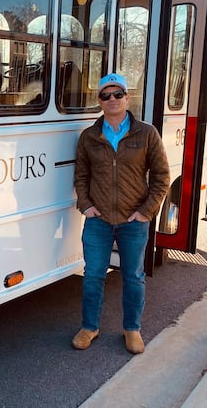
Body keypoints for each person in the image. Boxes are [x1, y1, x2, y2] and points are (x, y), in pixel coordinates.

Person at [72, 73, 170, 354]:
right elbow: (81, 176)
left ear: (128, 98)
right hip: (98, 220)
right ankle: (89, 327)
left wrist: (146, 211)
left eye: (118, 94)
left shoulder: (147, 133)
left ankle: (132, 329)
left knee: (133, 276)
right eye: (106, 95)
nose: (112, 99)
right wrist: (86, 206)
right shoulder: (89, 137)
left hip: (133, 221)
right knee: (92, 275)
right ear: (100, 101)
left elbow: (162, 176)